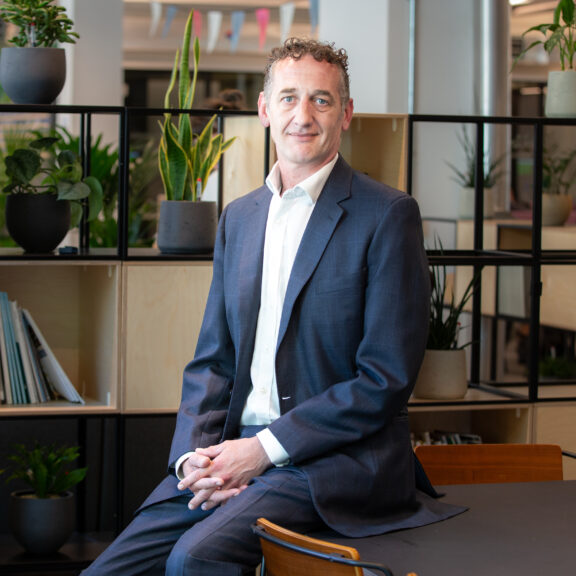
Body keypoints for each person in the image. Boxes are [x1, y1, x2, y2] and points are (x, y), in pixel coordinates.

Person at [83, 37, 464, 576]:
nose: (302, 116)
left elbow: (384, 379)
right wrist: (195, 456)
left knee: (195, 557)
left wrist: (263, 449)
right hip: (230, 455)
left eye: (321, 100)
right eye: (287, 98)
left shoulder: (387, 215)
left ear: (346, 114)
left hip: (333, 464)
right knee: (108, 571)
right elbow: (212, 361)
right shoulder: (238, 218)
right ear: (264, 110)